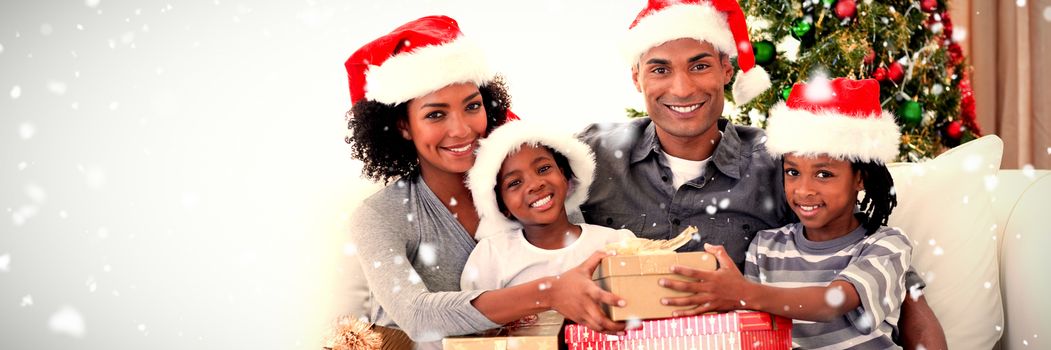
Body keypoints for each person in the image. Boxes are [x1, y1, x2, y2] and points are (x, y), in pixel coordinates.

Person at [577, 0, 947, 347]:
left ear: (727, 69)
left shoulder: (781, 163)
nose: (682, 87)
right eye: (660, 69)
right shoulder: (590, 157)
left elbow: (901, 293)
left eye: (700, 65)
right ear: (637, 77)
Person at [344, 15, 625, 346]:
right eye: (435, 114)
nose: (462, 129)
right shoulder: (379, 216)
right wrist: (548, 292)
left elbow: (578, 263)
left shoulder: (535, 188)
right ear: (403, 126)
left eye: (472, 106)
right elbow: (418, 316)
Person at [660, 77, 913, 348]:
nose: (803, 190)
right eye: (793, 172)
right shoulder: (766, 246)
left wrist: (743, 293)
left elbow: (833, 302)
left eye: (824, 174)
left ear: (860, 178)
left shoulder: (886, 244)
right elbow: (756, 331)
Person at [460, 120, 636, 292]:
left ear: (565, 175)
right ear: (501, 204)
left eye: (543, 169)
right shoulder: (491, 257)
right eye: (514, 183)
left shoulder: (613, 244)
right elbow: (474, 316)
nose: (535, 185)